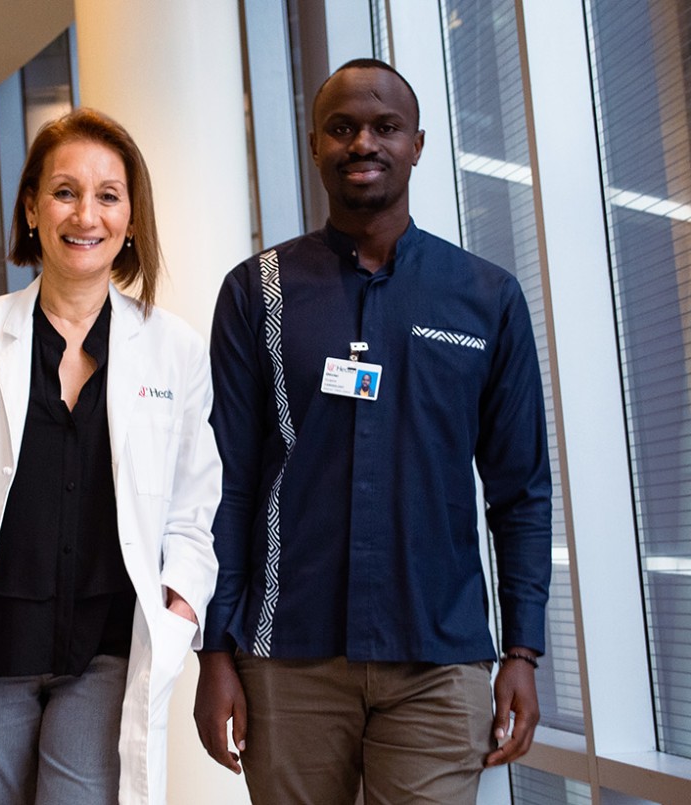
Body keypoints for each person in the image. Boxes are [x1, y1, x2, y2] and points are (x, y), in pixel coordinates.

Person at [194, 58, 551, 804]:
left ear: (417, 143)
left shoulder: (487, 299)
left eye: (385, 126)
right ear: (316, 143)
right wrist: (214, 651)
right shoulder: (257, 291)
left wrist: (522, 649)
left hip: (437, 657)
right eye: (343, 127)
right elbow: (223, 485)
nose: (364, 142)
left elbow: (520, 491)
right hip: (286, 656)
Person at [0, 108, 220, 805]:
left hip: (108, 649)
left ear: (131, 218)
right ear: (33, 208)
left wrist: (181, 605)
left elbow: (194, 512)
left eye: (108, 194)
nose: (85, 214)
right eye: (65, 191)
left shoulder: (176, 350)